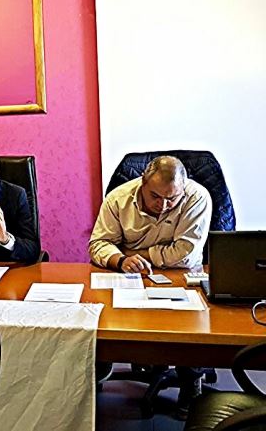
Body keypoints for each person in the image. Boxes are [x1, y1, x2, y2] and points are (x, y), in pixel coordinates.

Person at [89, 155, 212, 419]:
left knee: (191, 323)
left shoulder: (197, 197)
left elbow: (185, 254)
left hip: (181, 276)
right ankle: (101, 368)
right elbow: (98, 244)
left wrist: (136, 252)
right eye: (155, 196)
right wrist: (120, 259)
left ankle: (191, 381)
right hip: (129, 275)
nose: (164, 205)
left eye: (172, 199)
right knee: (103, 317)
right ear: (142, 183)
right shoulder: (118, 199)